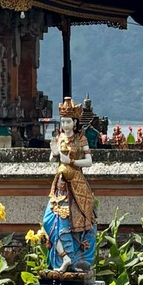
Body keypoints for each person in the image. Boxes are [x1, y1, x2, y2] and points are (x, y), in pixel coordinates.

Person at [42, 97, 96, 270]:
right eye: (63, 121)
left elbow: (89, 161)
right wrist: (54, 153)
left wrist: (71, 162)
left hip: (76, 183)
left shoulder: (81, 139)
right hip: (59, 185)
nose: (65, 125)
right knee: (50, 220)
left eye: (68, 122)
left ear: (75, 123)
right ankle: (63, 257)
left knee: (75, 221)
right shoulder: (59, 138)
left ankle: (75, 258)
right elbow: (53, 160)